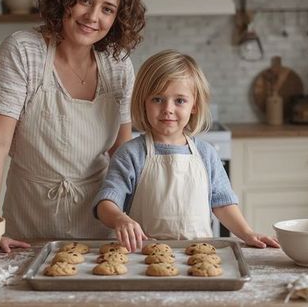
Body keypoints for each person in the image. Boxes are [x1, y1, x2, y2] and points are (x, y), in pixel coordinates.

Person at [0, 0, 146, 252]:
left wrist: (125, 216)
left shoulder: (118, 66)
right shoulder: (24, 51)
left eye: (108, 9)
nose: (93, 16)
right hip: (27, 232)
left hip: (98, 234)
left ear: (117, 17)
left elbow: (121, 151)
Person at [93, 50, 280, 252]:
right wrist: (120, 219)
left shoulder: (206, 154)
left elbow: (223, 203)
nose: (168, 109)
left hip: (199, 254)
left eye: (179, 100)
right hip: (144, 258)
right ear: (143, 102)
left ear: (194, 106)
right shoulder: (130, 154)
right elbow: (106, 202)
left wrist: (247, 232)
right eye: (157, 99)